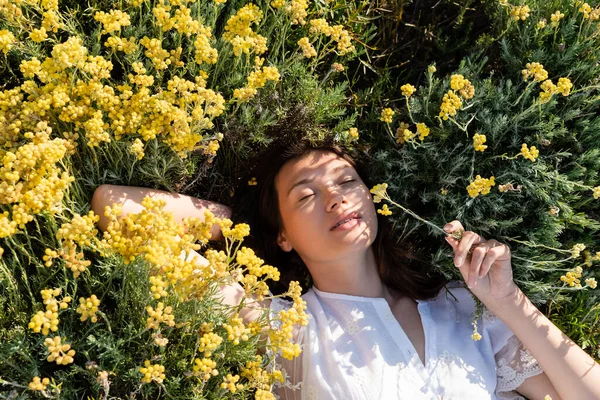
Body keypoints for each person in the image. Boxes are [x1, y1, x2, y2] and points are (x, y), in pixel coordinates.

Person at [91, 139, 600, 400]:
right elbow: (115, 205)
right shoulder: (284, 328)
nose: (335, 196)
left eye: (347, 181)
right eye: (307, 195)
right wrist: (250, 230)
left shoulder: (460, 306)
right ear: (284, 233)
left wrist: (508, 302)